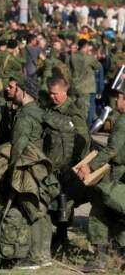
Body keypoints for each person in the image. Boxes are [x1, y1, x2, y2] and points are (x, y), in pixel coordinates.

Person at [77, 83, 125, 273]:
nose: (117, 100)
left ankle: (101, 259)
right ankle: (119, 255)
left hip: (117, 173)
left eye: (120, 97)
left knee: (98, 212)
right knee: (120, 215)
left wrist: (91, 165)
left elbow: (112, 150)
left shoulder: (123, 121)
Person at [8, 77, 53, 269]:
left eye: (17, 90)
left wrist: (11, 172)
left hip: (28, 168)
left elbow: (18, 147)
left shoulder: (25, 116)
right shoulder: (40, 112)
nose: (15, 92)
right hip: (42, 166)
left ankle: (36, 258)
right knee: (42, 211)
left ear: (25, 93)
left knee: (33, 210)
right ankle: (44, 254)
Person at [43, 77, 90, 245]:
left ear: (64, 92)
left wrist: (79, 163)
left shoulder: (73, 112)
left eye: (55, 94)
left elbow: (84, 138)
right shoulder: (50, 109)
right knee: (51, 198)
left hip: (67, 164)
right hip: (51, 160)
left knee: (65, 201)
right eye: (50, 93)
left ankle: (62, 236)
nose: (52, 97)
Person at [70, 39, 101, 124]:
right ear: (86, 47)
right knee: (85, 110)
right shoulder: (89, 58)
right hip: (86, 88)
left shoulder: (72, 56)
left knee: (73, 108)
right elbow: (98, 66)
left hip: (74, 86)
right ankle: (84, 128)